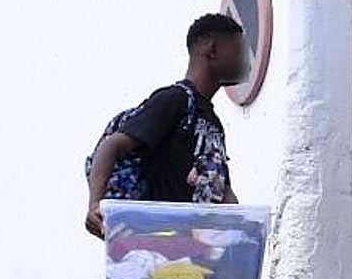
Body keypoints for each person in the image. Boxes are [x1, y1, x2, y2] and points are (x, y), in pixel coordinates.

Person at [85, 14, 247, 238]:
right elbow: (111, 146)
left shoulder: (213, 122)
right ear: (213, 50)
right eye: (237, 51)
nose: (245, 60)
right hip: (156, 243)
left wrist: (242, 229)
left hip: (194, 249)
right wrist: (96, 205)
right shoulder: (174, 100)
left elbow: (222, 191)